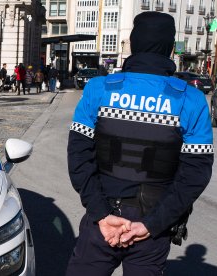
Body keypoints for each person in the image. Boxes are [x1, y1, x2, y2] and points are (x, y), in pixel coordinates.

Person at [66, 12, 213, 276]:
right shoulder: (191, 100)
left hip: (102, 221)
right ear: (170, 48)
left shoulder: (99, 89)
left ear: (133, 43)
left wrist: (101, 214)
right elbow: (195, 174)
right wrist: (151, 224)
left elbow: (78, 158)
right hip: (152, 229)